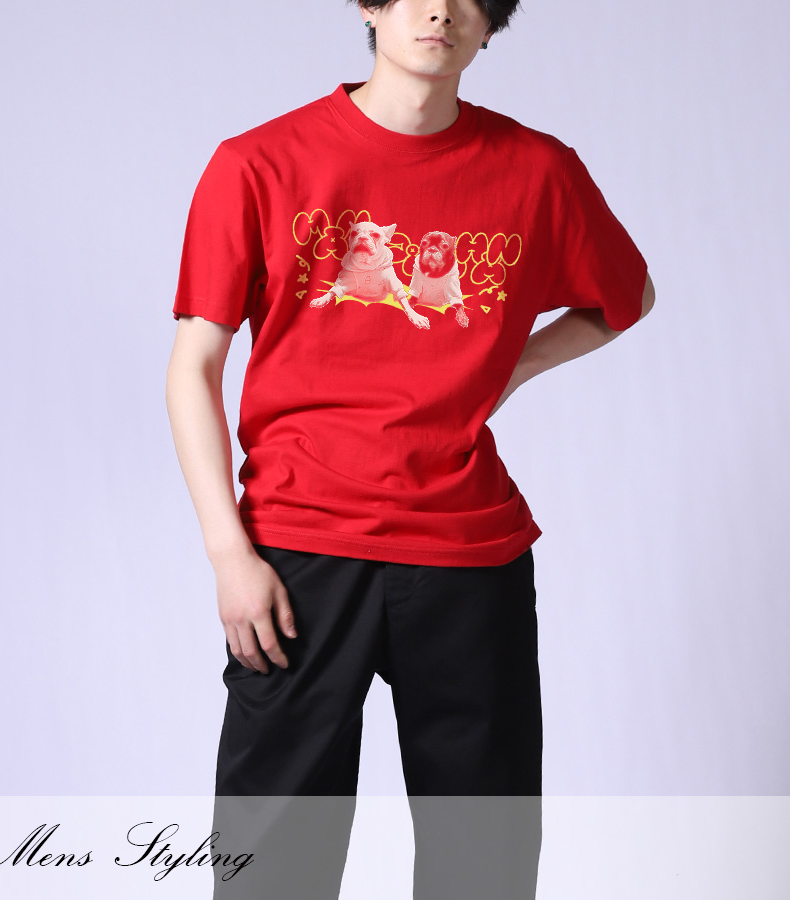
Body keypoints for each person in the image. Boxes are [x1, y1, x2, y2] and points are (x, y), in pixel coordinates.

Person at [165, 1, 655, 897]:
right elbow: (193, 367)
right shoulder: (259, 162)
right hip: (300, 546)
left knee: (484, 857)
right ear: (370, 5)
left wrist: (511, 368)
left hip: (469, 549)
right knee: (270, 861)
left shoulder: (538, 170)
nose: (441, 10)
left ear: (491, 22)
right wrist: (230, 554)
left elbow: (625, 297)